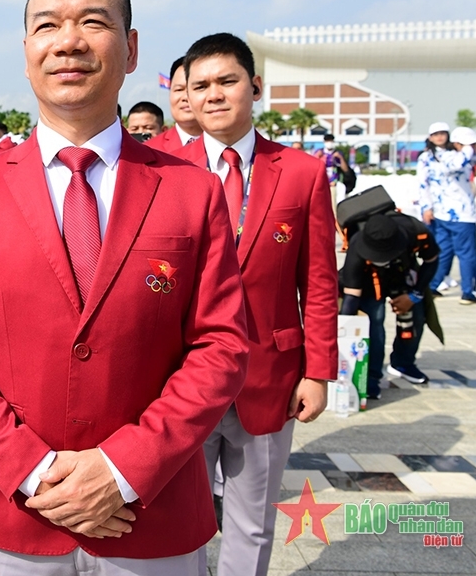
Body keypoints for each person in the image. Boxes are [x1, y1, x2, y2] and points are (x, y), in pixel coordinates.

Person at [0, 0, 250, 575]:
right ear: (26, 52)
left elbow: (221, 345)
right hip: (12, 513)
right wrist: (32, 469)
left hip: (149, 516)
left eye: (93, 22)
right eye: (48, 26)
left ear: (131, 48)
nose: (68, 41)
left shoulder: (192, 191)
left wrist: (125, 468)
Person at [173, 33, 338, 576]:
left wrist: (318, 372)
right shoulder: (162, 168)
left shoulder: (302, 172)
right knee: (178, 519)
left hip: (270, 375)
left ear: (256, 86)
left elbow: (318, 283)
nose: (214, 95)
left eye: (228, 81)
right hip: (179, 378)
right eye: (201, 85)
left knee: (252, 520)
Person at [340, 213, 439, 395]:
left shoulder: (417, 232)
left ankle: (403, 363)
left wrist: (414, 296)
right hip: (370, 281)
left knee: (416, 317)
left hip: (403, 273)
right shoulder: (357, 245)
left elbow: (431, 260)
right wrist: (343, 328)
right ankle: (371, 377)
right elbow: (352, 295)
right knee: (374, 321)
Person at [418, 123, 476, 304]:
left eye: (443, 133)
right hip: (445, 213)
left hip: (461, 212)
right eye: (435, 134)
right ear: (430, 137)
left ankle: (463, 290)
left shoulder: (456, 153)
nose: (439, 137)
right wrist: (426, 208)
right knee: (451, 252)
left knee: (456, 253)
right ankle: (457, 289)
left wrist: (468, 145)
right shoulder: (431, 157)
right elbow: (423, 184)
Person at [147, 57, 202, 153]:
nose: (185, 97)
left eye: (196, 88)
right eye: (179, 89)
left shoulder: (228, 146)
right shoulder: (149, 151)